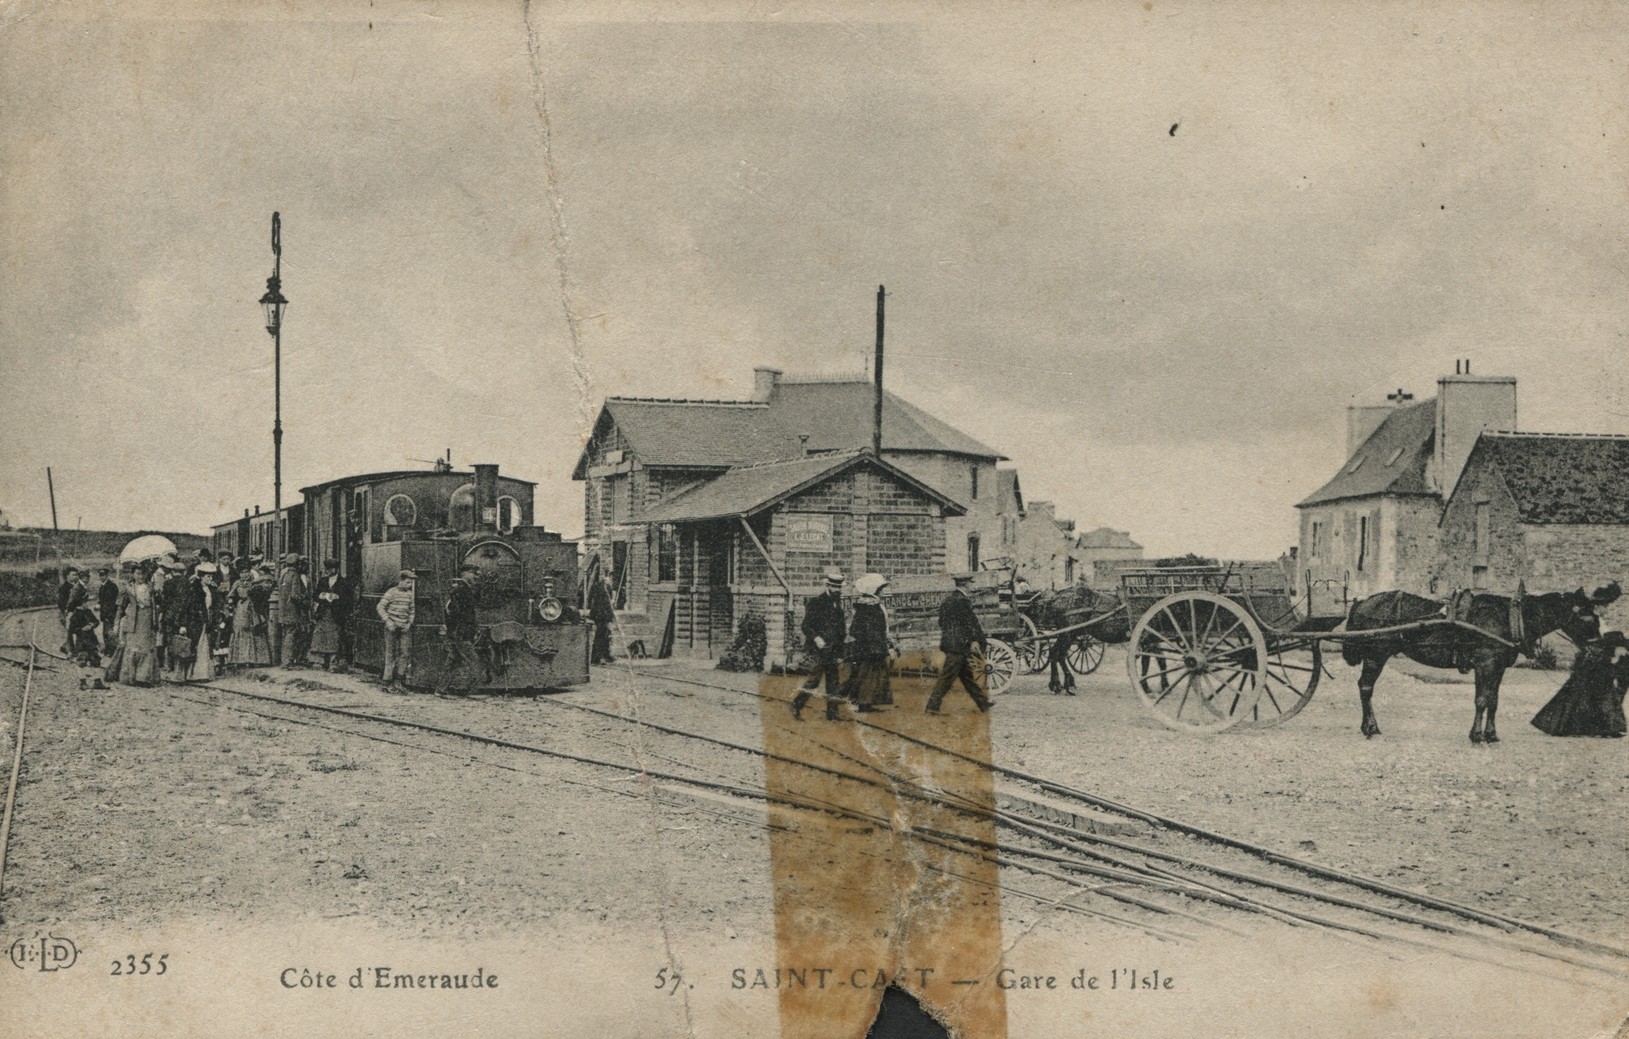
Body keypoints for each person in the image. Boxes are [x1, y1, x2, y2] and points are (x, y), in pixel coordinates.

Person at [1531, 632, 1629, 738]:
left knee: (1590, 697)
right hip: (1595, 667)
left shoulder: (1605, 651)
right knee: (1590, 697)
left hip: (1596, 665)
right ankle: (1606, 728)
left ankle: (1605, 728)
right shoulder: (1603, 652)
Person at [925, 573, 993, 714]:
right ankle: (932, 707)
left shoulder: (948, 600)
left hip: (952, 643)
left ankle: (983, 703)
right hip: (958, 646)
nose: (971, 586)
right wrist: (974, 639)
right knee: (946, 678)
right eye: (970, 583)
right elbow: (969, 623)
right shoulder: (962, 600)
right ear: (965, 584)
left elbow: (941, 622)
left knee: (967, 678)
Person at [790, 567, 848, 721]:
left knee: (833, 683)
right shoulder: (816, 603)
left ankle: (832, 713)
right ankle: (796, 704)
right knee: (814, 681)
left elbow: (841, 631)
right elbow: (806, 626)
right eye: (834, 587)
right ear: (828, 586)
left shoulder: (838, 606)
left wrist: (840, 652)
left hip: (833, 649)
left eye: (839, 587)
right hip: (818, 649)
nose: (837, 590)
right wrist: (816, 638)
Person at [843, 573, 895, 712]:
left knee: (871, 675)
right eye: (880, 589)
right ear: (874, 590)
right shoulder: (869, 607)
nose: (883, 592)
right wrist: (879, 647)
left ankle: (867, 702)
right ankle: (863, 703)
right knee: (868, 675)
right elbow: (864, 630)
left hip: (870, 646)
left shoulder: (870, 605)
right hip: (870, 648)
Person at [113, 561, 160, 686]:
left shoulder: (151, 587)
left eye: (143, 574)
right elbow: (120, 607)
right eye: (138, 573)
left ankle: (144, 678)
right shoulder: (127, 588)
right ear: (133, 574)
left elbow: (157, 603)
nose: (141, 576)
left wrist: (157, 594)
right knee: (132, 648)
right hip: (133, 620)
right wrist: (116, 623)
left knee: (146, 649)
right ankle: (129, 677)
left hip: (147, 620)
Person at [439, 565, 481, 692]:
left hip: (457, 632)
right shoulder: (462, 590)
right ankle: (465, 689)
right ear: (464, 573)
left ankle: (440, 689)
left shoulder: (462, 589)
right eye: (473, 573)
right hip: (462, 632)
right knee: (474, 661)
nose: (476, 577)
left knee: (453, 661)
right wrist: (463, 630)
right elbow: (454, 612)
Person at [226, 564, 275, 669]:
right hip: (241, 608)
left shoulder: (255, 582)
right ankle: (241, 659)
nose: (245, 575)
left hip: (253, 607)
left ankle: (257, 659)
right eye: (242, 573)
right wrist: (231, 604)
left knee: (255, 630)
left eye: (246, 572)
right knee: (241, 629)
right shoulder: (237, 583)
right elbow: (230, 595)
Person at [309, 559, 353, 671]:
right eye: (326, 569)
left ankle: (333, 663)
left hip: (336, 614)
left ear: (335, 569)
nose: (327, 571)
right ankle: (319, 661)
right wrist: (321, 596)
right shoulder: (323, 581)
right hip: (323, 613)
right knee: (320, 636)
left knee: (334, 637)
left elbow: (349, 599)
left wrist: (338, 597)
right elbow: (315, 595)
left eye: (329, 569)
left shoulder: (344, 582)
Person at [377, 569, 417, 690]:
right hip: (391, 627)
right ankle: (387, 681)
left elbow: (412, 610)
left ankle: (398, 681)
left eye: (411, 583)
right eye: (408, 582)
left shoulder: (410, 594)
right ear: (401, 581)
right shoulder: (391, 592)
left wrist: (409, 623)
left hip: (404, 628)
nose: (409, 585)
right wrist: (388, 621)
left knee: (405, 653)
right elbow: (380, 607)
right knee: (391, 653)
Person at [277, 554, 313, 667]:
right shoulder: (295, 576)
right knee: (291, 635)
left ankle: (285, 660)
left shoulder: (284, 575)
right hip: (292, 610)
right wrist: (304, 601)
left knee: (286, 635)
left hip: (283, 610)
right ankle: (288, 661)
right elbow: (295, 595)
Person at [587, 566, 616, 665]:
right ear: (609, 576)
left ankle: (605, 655)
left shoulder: (606, 586)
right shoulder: (603, 587)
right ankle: (595, 658)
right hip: (601, 616)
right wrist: (608, 616)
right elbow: (602, 604)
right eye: (611, 577)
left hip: (602, 615)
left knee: (605, 635)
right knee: (600, 636)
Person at [96, 567, 120, 652]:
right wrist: (98, 604)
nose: (102, 577)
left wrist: (108, 615)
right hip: (104, 613)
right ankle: (108, 649)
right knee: (105, 632)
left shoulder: (111, 586)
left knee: (109, 632)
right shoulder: (102, 586)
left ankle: (112, 650)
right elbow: (102, 600)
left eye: (103, 575)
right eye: (100, 575)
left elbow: (112, 602)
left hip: (110, 613)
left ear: (107, 575)